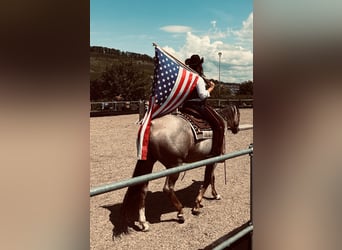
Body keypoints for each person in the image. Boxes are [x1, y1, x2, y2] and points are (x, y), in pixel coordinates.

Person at [182, 54, 225, 156]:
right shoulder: (198, 78)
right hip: (197, 106)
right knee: (219, 124)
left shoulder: (187, 77)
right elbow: (202, 95)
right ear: (198, 66)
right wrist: (211, 88)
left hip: (186, 106)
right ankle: (216, 152)